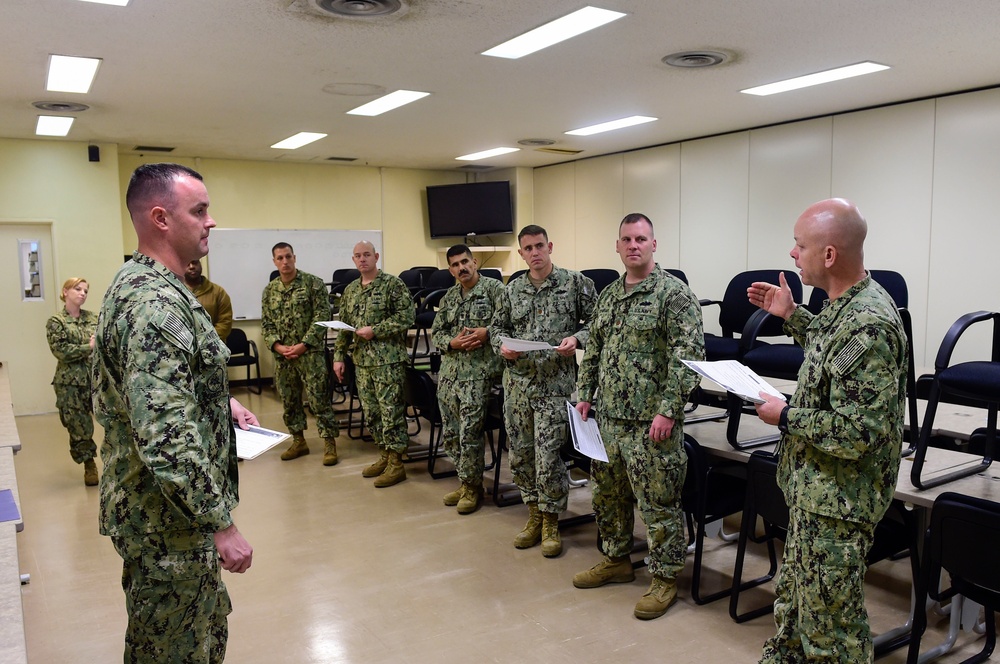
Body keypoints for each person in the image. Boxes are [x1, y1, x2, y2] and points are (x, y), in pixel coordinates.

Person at [92, 163, 255, 663]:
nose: (210, 222)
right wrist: (220, 523)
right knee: (172, 650)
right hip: (168, 521)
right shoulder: (154, 305)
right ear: (160, 218)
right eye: (199, 210)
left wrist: (216, 401)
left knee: (194, 638)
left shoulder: (150, 285)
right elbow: (165, 437)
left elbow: (154, 390)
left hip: (167, 514)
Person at [746, 198, 906, 662]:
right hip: (815, 492)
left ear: (829, 255)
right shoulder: (843, 305)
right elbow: (833, 355)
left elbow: (859, 431)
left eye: (800, 245)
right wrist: (792, 316)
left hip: (841, 501)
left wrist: (786, 415)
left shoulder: (869, 324)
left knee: (832, 632)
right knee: (798, 609)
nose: (793, 255)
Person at [572, 213, 704, 620]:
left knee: (658, 504)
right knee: (607, 495)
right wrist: (584, 395)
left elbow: (689, 358)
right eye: (626, 239)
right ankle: (616, 559)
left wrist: (668, 410)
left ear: (654, 244)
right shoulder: (609, 296)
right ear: (617, 246)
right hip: (608, 418)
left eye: (641, 238)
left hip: (651, 423)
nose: (633, 245)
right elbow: (592, 349)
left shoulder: (673, 294)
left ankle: (664, 579)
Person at [489, 225, 595, 557]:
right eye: (528, 249)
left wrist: (577, 339)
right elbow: (497, 328)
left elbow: (597, 322)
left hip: (556, 385)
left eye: (539, 246)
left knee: (548, 457)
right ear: (521, 253)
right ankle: (533, 514)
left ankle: (551, 520)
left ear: (550, 246)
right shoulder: (512, 289)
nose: (535, 253)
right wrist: (502, 347)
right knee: (521, 455)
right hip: (519, 385)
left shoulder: (575, 283)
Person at [333, 241, 415, 488]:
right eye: (357, 256)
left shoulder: (392, 285)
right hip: (362, 361)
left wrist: (376, 330)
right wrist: (338, 356)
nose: (362, 259)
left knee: (391, 412)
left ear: (376, 256)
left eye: (367, 254)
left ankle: (397, 464)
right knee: (371, 413)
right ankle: (385, 456)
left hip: (387, 360)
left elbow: (406, 316)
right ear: (353, 260)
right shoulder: (350, 290)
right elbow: (344, 326)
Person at [431, 245, 504, 514]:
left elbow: (509, 325)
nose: (461, 268)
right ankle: (466, 480)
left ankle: (473, 487)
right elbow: (437, 332)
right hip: (451, 373)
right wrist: (452, 342)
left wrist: (486, 332)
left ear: (475, 262)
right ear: (450, 269)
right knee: (450, 433)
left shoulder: (496, 291)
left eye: (465, 262)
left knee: (470, 433)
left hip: (480, 372)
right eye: (454, 265)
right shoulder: (450, 296)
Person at [261, 242, 340, 465]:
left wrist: (304, 344)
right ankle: (299, 441)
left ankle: (329, 443)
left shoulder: (312, 283)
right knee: (290, 400)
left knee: (319, 400)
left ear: (294, 257)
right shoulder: (270, 290)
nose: (285, 262)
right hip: (283, 356)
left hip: (310, 354)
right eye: (280, 258)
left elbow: (323, 316)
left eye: (288, 257)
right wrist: (277, 346)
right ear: (274, 261)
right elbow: (267, 324)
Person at [45, 277, 100, 486]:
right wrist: (89, 348)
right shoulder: (56, 321)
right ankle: (89, 464)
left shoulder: (94, 318)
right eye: (78, 289)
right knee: (79, 427)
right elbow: (61, 351)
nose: (83, 293)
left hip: (95, 381)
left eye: (86, 290)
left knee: (113, 420)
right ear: (66, 291)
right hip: (70, 384)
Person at [184, 259, 233, 342]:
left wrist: (205, 341)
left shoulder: (218, 292)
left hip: (213, 349)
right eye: (187, 264)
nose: (192, 267)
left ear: (200, 264)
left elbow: (225, 322)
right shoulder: (174, 291)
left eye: (195, 263)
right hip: (184, 349)